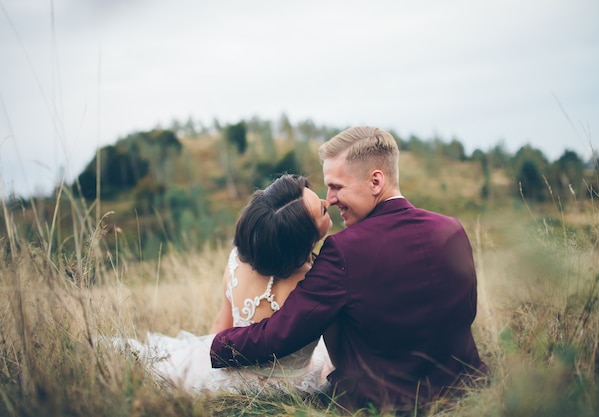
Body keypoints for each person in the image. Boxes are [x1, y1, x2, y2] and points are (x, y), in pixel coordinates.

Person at [210, 126, 489, 412]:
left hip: (382, 405)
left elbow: (280, 333)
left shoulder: (343, 250)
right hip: (467, 394)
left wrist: (213, 346)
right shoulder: (452, 229)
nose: (329, 199)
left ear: (376, 182)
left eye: (337, 187)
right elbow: (466, 313)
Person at [112, 174, 334, 395]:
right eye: (322, 210)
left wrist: (203, 365)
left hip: (235, 377)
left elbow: (222, 323)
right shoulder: (317, 281)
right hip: (293, 387)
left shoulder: (237, 262)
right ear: (303, 237)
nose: (328, 202)